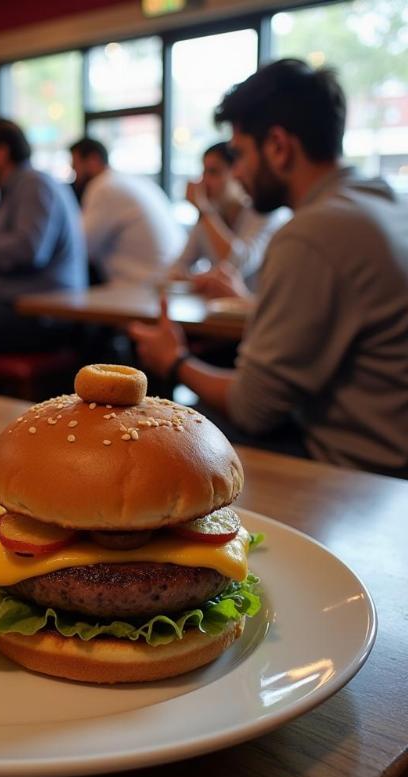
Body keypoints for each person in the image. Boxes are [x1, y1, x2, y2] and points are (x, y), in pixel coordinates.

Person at [129, 59, 408, 477]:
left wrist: (174, 359)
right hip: (390, 448)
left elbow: (252, 407)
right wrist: (250, 303)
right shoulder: (381, 202)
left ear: (278, 146)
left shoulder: (313, 231)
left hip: (358, 471)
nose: (237, 172)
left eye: (239, 154)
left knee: (162, 435)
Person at [0, 118, 87, 363]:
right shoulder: (16, 187)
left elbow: (28, 249)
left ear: (1, 153)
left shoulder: (33, 184)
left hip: (44, 312)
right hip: (23, 304)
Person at [169, 141, 289, 297]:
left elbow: (237, 264)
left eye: (213, 172)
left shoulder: (265, 212)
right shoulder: (208, 218)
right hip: (218, 315)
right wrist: (198, 280)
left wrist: (205, 212)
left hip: (254, 316)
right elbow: (175, 269)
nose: (204, 181)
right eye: (203, 172)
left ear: (237, 172)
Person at [70, 137, 184, 285]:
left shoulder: (103, 187)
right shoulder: (129, 181)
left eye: (75, 167)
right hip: (165, 281)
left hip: (141, 287)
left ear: (93, 160)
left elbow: (79, 247)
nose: (74, 176)